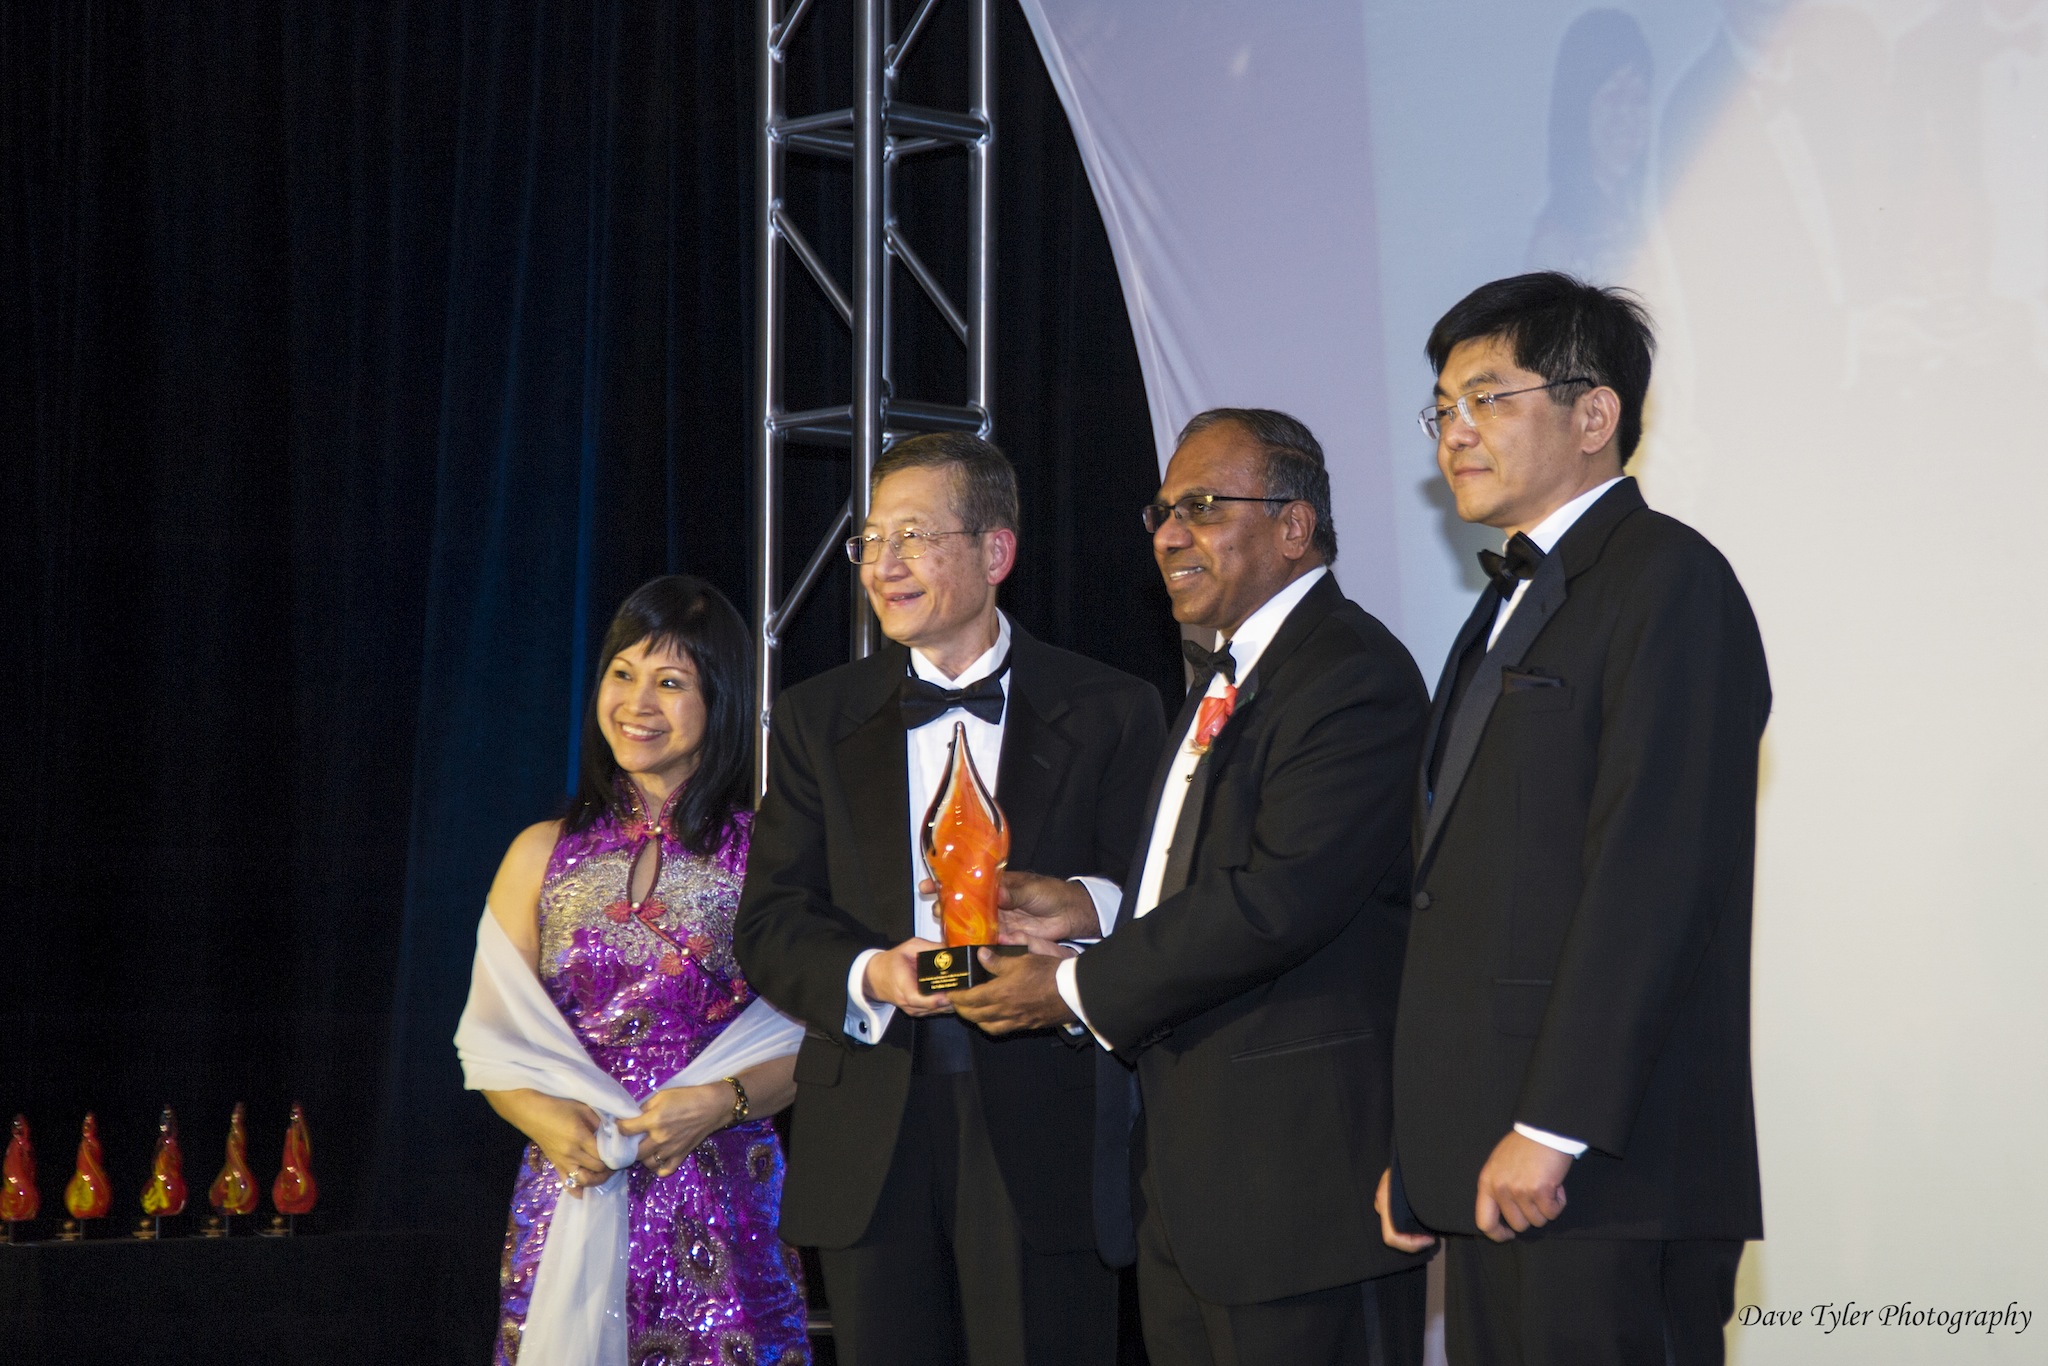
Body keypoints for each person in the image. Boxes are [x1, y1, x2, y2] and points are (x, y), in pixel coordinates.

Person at [953, 409, 1432, 1366]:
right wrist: (1095, 913)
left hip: (1300, 1192)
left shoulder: (1352, 675)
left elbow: (1277, 901)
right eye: (1163, 511)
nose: (1170, 535)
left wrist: (1071, 987)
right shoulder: (1226, 676)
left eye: (1203, 507)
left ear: (1294, 526)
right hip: (1190, 1189)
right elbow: (1206, 882)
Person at [1378, 273, 1770, 1365]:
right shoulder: (1506, 600)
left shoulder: (1668, 581)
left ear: (1594, 415)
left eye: (1485, 398)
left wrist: (1552, 1128)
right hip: (1493, 1162)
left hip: (1603, 1169)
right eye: (1440, 408)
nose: (1454, 432)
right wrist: (1429, 1143)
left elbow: (1653, 875)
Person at [733, 433, 1164, 1366]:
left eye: (915, 537)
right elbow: (768, 922)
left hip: (1046, 1115)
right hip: (871, 1116)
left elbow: (1163, 897)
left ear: (995, 551)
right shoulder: (814, 716)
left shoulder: (1114, 707)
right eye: (871, 541)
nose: (883, 565)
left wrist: (1079, 904)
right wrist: (871, 973)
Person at [465, 575, 810, 1366]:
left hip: (724, 1189)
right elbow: (491, 1044)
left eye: (671, 682)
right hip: (571, 1186)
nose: (638, 703)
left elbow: (825, 1037)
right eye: (623, 674)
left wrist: (721, 1102)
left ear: (721, 698)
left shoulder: (772, 856)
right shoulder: (539, 853)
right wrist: (549, 1123)